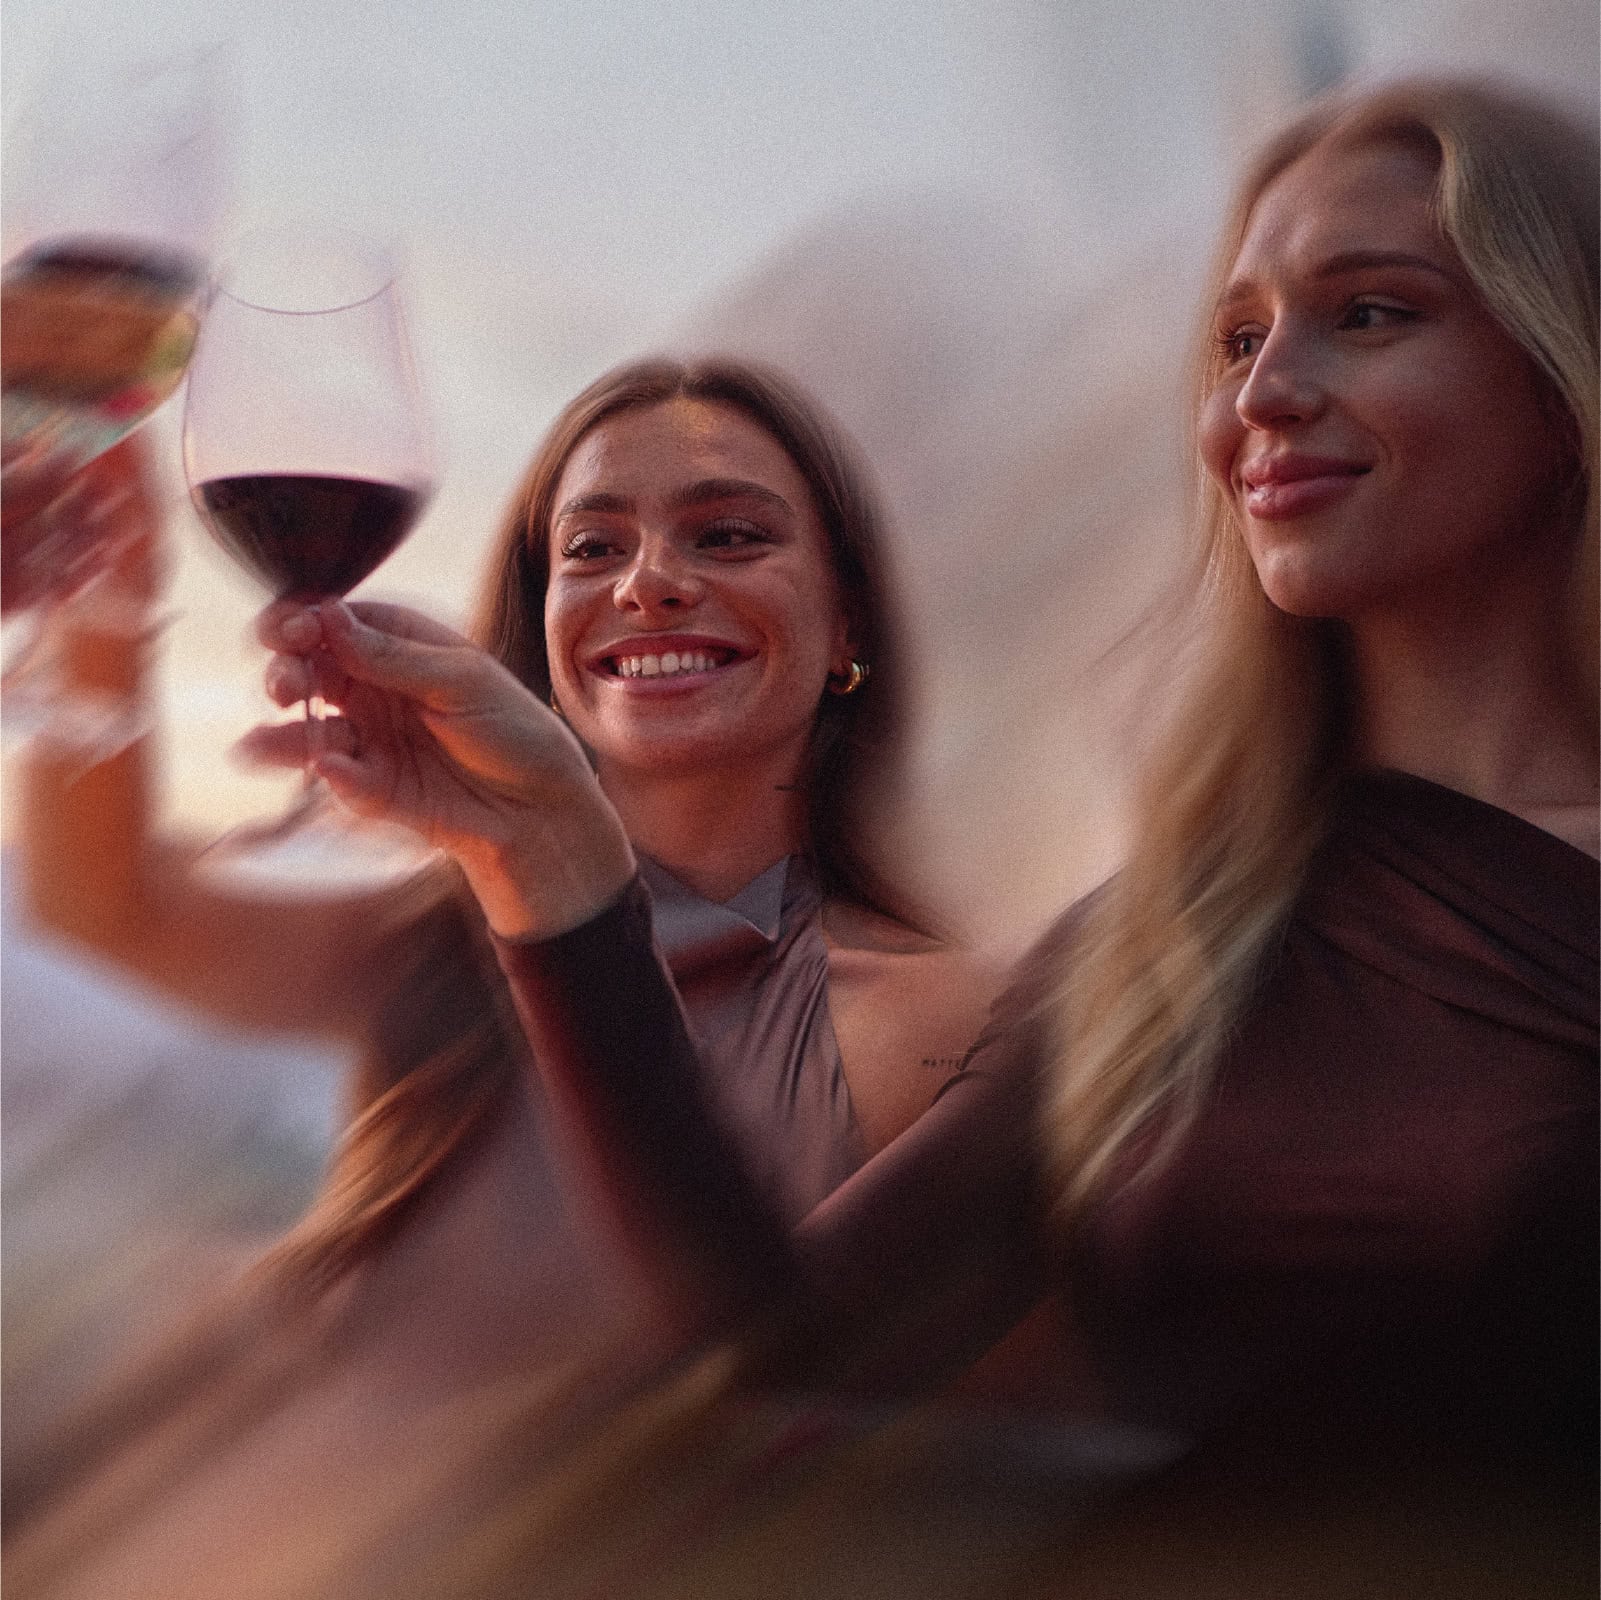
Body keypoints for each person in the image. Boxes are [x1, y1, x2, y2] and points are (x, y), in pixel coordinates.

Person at [250, 72, 1597, 1511]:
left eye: (1371, 312)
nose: (1260, 397)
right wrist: (549, 851)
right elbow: (794, 1348)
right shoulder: (1164, 947)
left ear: (1561, 364)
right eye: (1237, 339)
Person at [14, 357, 998, 1433]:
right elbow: (103, 902)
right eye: (592, 547)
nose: (647, 583)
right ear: (541, 627)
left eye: (727, 535)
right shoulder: (446, 937)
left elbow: (827, 1402)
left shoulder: (933, 1022)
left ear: (847, 626)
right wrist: (104, 602)